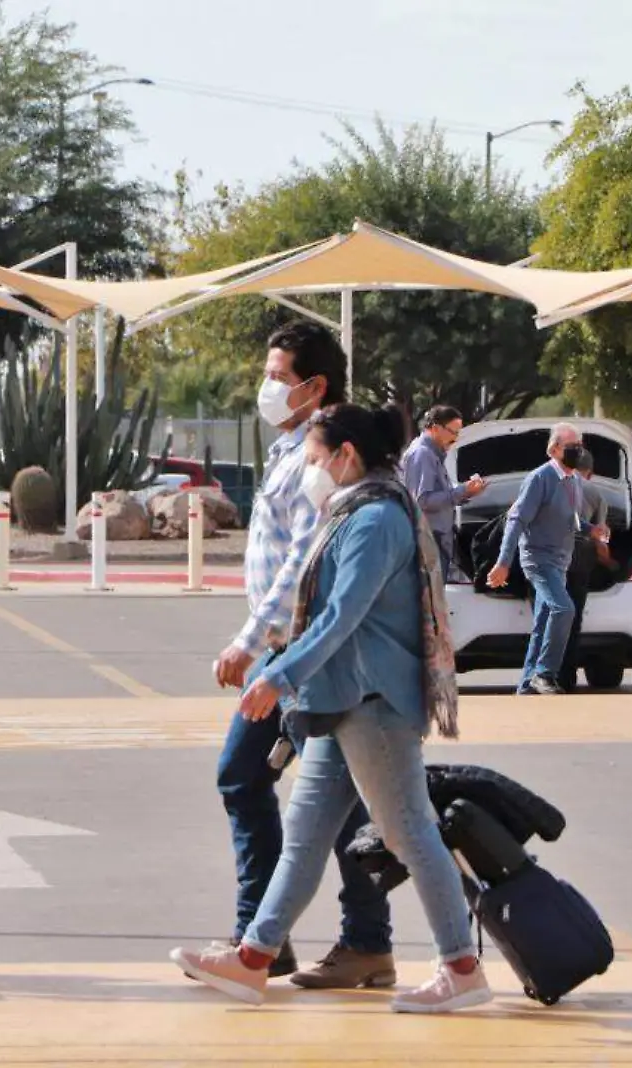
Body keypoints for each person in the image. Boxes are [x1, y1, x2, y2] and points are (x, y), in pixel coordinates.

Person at [172, 403, 486, 1014]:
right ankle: (253, 960)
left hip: (374, 703)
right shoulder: (349, 513)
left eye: (316, 458)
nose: (310, 469)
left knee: (410, 832)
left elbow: (343, 616)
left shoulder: (374, 520)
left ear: (346, 455)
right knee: (305, 838)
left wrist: (277, 675)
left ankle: (462, 968)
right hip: (339, 702)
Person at [209, 321, 394, 989]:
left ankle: (266, 935)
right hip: (292, 652)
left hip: (301, 653)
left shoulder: (323, 456)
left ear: (316, 387)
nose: (267, 388)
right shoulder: (295, 448)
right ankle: (340, 942)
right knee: (340, 801)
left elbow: (302, 562)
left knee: (249, 777)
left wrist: (250, 641)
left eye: (279, 377)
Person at [486, 423, 590, 696]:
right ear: (554, 449)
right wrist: (503, 562)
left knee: (543, 623)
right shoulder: (539, 478)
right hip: (538, 559)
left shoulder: (575, 480)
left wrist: (594, 530)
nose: (578, 451)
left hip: (561, 561)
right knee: (564, 608)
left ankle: (525, 688)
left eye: (580, 445)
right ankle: (544, 673)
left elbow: (574, 519)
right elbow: (516, 520)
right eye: (571, 446)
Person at [399, 405, 485, 581]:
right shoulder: (422, 454)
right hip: (429, 541)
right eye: (453, 432)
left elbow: (439, 493)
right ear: (436, 428)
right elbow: (422, 500)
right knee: (431, 600)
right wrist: (461, 491)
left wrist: (466, 492)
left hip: (435, 540)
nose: (456, 438)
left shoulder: (433, 453)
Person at [559, 448, 616, 690]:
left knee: (549, 616)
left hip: (550, 557)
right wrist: (610, 562)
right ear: (590, 473)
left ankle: (544, 674)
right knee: (573, 619)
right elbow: (601, 540)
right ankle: (567, 678)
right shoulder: (596, 495)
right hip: (581, 559)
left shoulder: (552, 485)